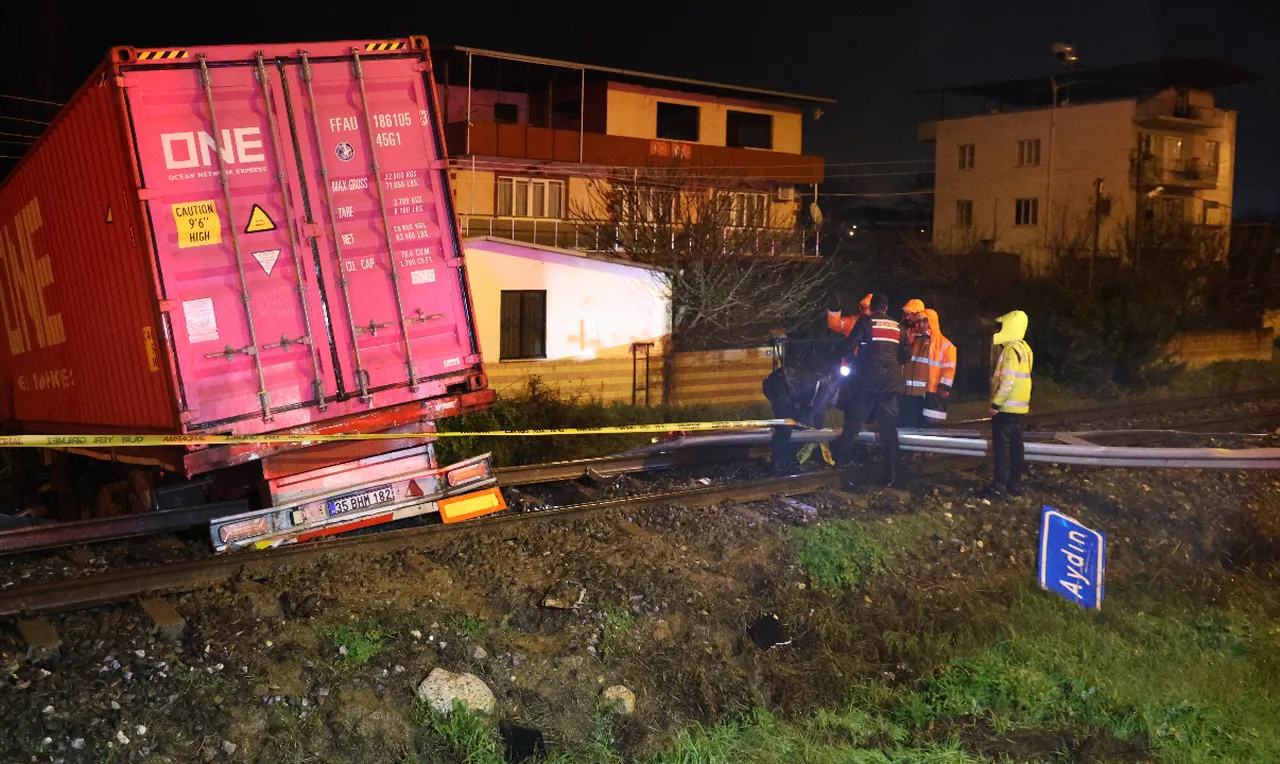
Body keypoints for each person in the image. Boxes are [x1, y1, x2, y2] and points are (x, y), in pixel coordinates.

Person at [832, 293, 910, 485]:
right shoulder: (898, 328)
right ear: (886, 308)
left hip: (866, 383)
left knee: (853, 426)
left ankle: (840, 466)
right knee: (889, 430)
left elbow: (848, 345)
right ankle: (892, 473)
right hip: (890, 385)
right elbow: (906, 355)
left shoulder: (866, 323)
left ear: (872, 308)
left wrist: (853, 362)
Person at [985, 310, 1033, 497]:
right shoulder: (1025, 349)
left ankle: (999, 486)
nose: (998, 330)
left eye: (1001, 326)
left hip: (1005, 409)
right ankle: (1015, 484)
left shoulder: (1010, 350)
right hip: (1019, 408)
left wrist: (996, 404)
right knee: (1016, 448)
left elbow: (1008, 381)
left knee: (1001, 449)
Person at [762, 362, 817, 475]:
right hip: (780, 390)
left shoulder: (812, 380)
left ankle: (790, 459)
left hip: (786, 390)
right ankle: (778, 463)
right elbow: (812, 406)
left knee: (795, 427)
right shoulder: (814, 382)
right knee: (785, 428)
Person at [921, 309, 957, 427]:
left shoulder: (946, 345)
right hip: (920, 392)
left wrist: (944, 387)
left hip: (935, 393)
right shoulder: (919, 341)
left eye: (925, 321)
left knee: (933, 429)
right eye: (920, 321)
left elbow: (949, 369)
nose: (921, 325)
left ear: (931, 322)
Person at [899, 298, 930, 428]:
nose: (907, 317)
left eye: (909, 314)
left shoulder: (925, 338)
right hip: (907, 385)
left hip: (920, 389)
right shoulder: (909, 331)